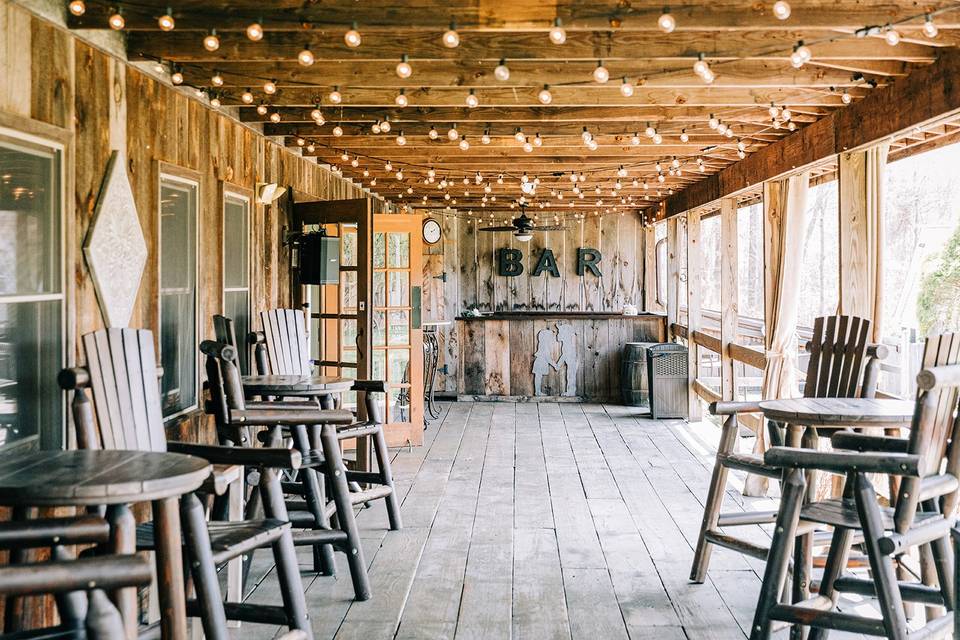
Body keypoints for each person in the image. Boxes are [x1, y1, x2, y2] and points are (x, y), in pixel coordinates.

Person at [553, 323, 578, 396]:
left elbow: (564, 355)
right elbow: (564, 355)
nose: (557, 334)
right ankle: (570, 391)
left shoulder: (568, 345)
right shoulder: (566, 344)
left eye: (559, 332)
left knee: (571, 376)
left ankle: (571, 392)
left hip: (572, 362)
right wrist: (558, 365)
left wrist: (557, 365)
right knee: (570, 376)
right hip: (570, 362)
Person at [532, 327, 556, 396]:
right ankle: (537, 392)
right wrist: (554, 365)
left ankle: (538, 391)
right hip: (540, 363)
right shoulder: (544, 346)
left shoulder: (543, 345)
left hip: (540, 362)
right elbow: (547, 358)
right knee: (538, 377)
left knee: (538, 377)